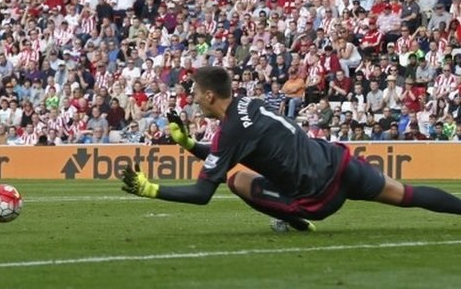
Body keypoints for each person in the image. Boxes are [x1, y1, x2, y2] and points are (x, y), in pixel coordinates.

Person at [121, 66, 461, 232]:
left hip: (319, 196)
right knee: (407, 194)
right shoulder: (248, 105)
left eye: (196, 94)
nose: (193, 100)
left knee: (236, 181)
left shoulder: (230, 132)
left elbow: (201, 193)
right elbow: (233, 148)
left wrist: (151, 189)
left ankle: (295, 221)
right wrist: (189, 144)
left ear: (210, 96)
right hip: (339, 162)